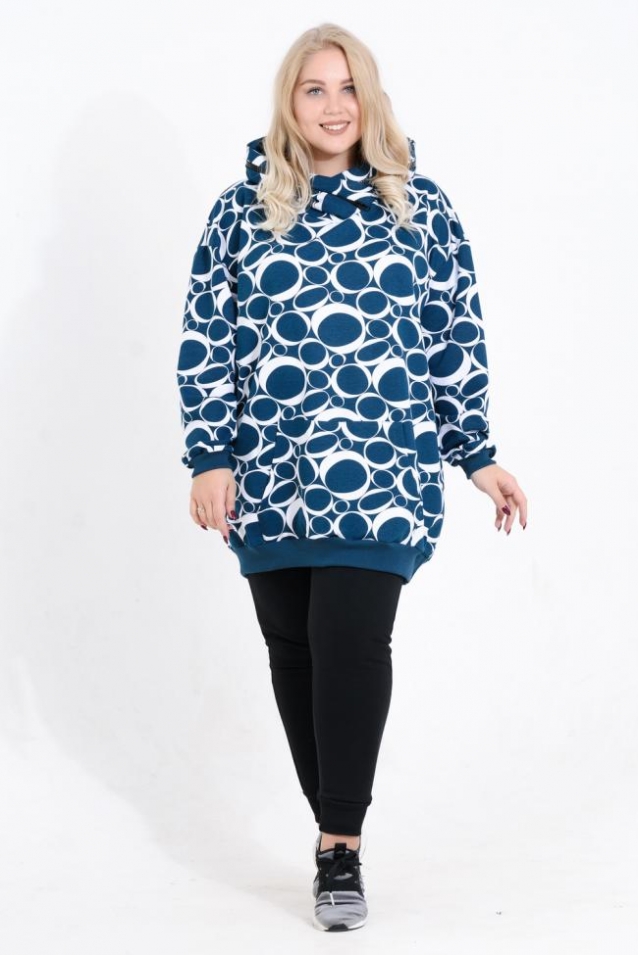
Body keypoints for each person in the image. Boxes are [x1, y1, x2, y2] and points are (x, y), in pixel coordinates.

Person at [176, 22, 528, 932]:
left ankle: (341, 844)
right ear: (289, 104)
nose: (334, 106)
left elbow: (453, 335)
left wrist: (477, 452)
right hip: (271, 471)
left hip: (382, 472)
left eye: (347, 88)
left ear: (370, 99)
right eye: (313, 89)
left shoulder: (421, 208)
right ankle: (332, 822)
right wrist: (210, 454)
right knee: (293, 651)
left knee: (350, 641)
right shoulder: (241, 211)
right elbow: (208, 336)